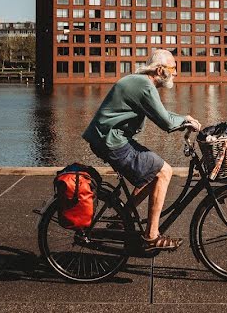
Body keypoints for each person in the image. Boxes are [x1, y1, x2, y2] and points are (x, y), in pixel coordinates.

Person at [82, 49, 201, 251]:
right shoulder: (145, 85)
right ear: (161, 70)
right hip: (112, 141)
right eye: (173, 68)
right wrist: (185, 120)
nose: (176, 73)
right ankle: (151, 236)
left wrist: (184, 119)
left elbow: (160, 114)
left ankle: (122, 216)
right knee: (164, 171)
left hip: (110, 138)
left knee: (152, 173)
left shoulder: (140, 82)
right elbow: (165, 122)